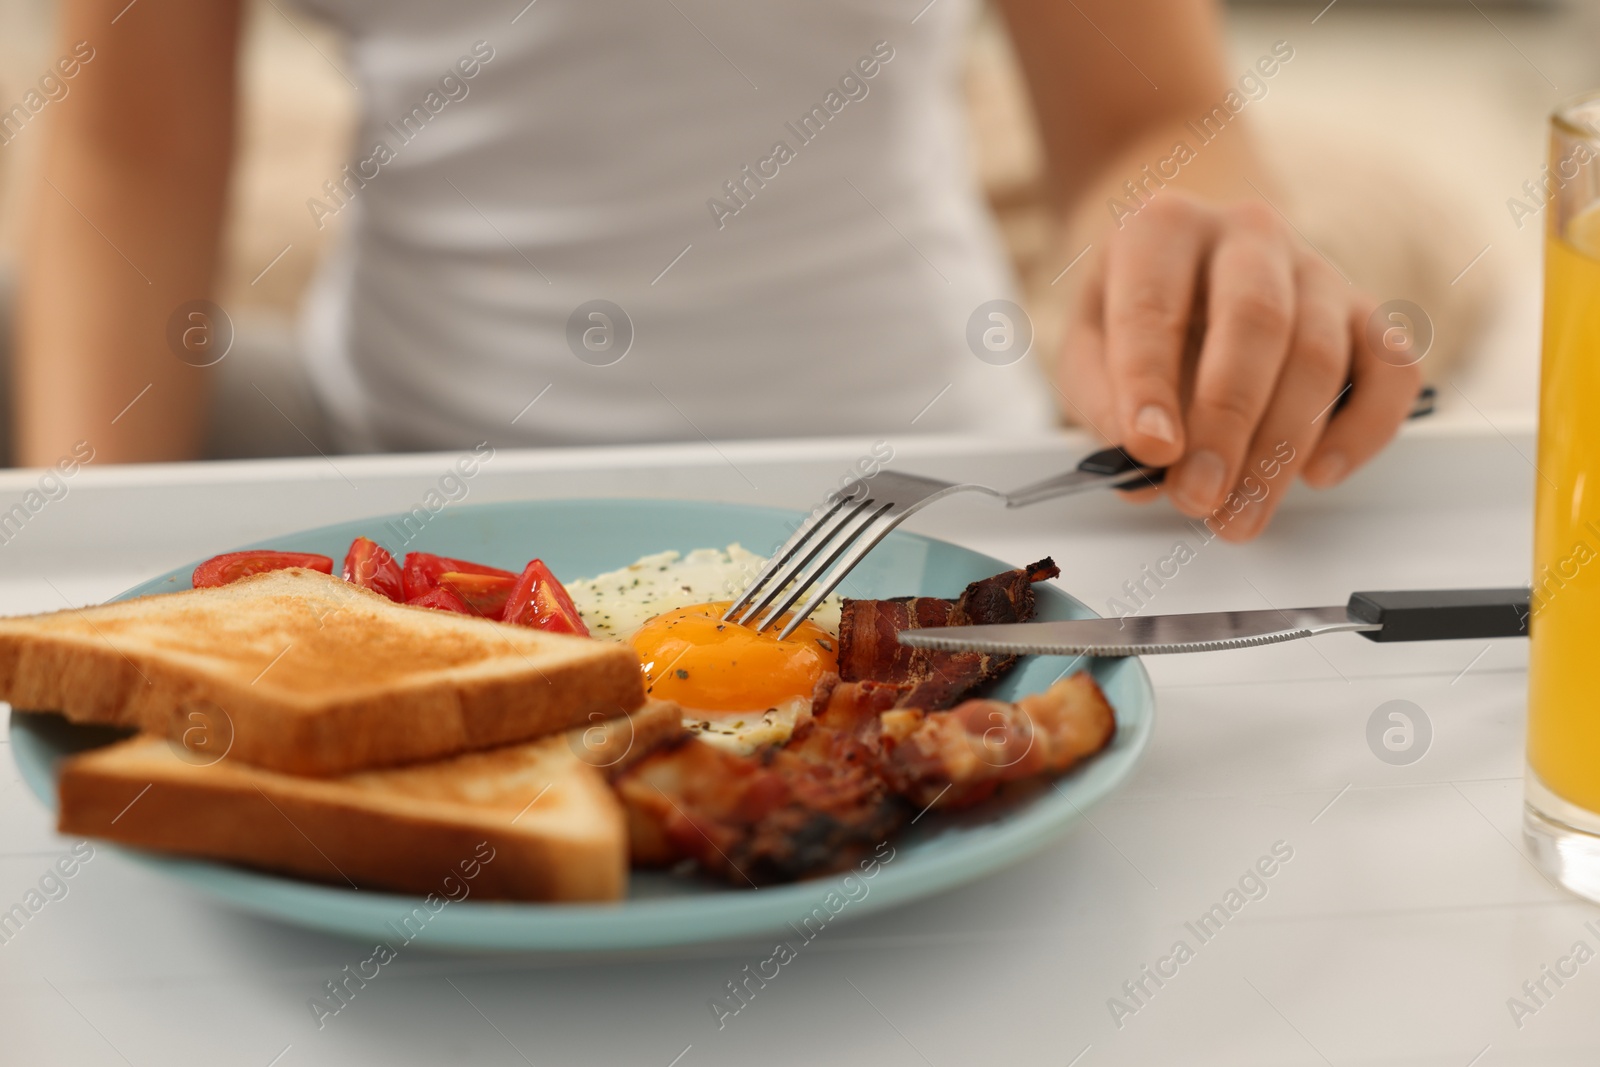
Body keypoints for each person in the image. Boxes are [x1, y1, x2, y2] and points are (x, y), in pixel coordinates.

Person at [10, 0, 1420, 542]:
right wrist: (80, 567)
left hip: (916, 495)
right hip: (387, 465)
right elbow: (129, 141)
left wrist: (1188, 270)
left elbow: (1144, 115)